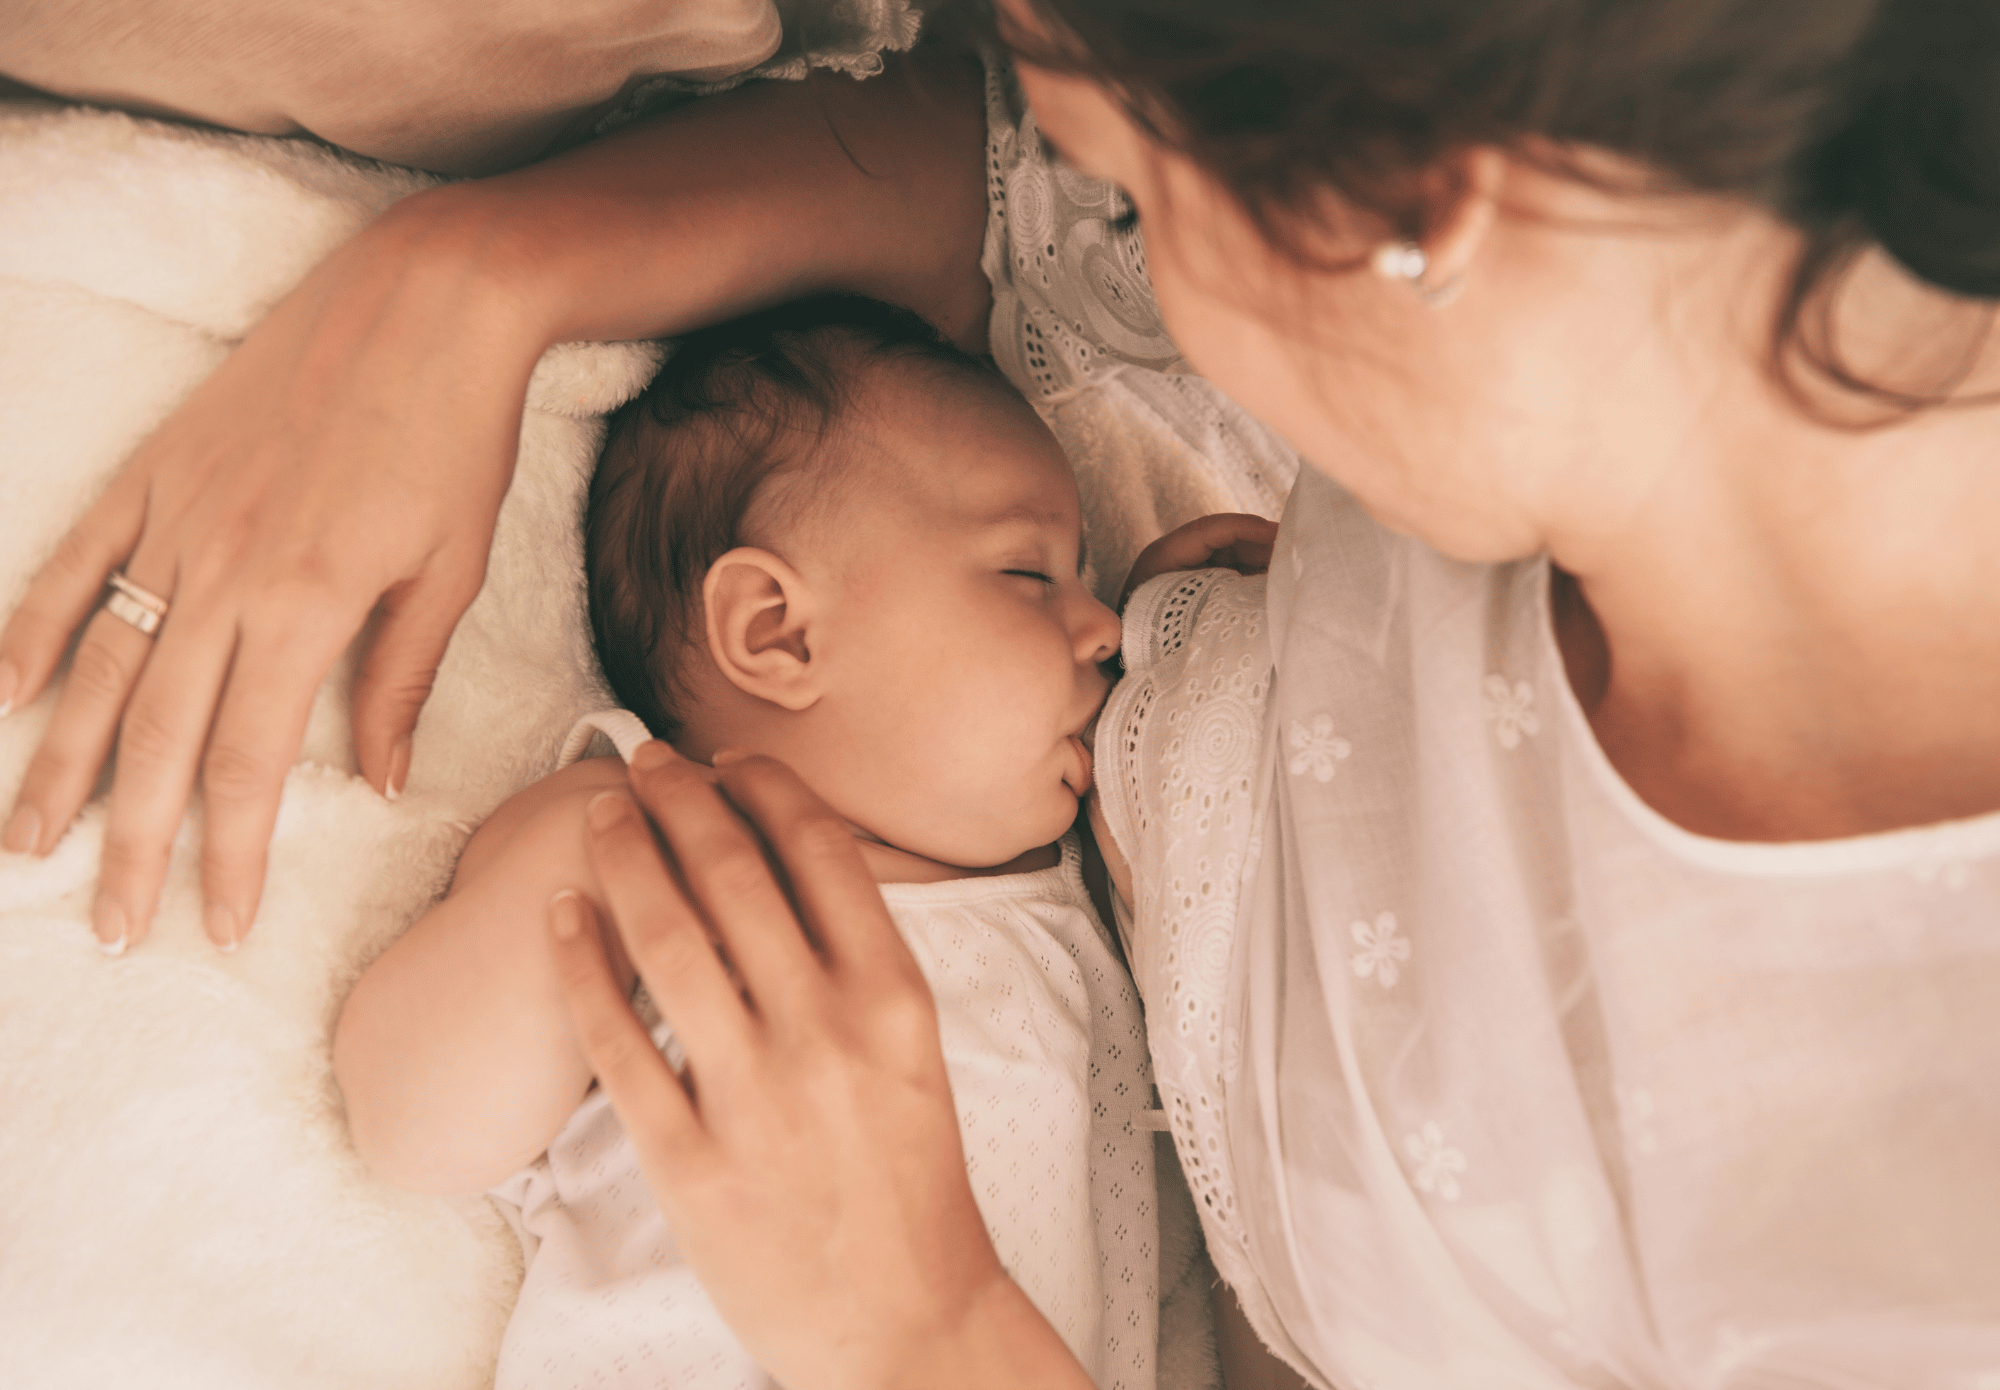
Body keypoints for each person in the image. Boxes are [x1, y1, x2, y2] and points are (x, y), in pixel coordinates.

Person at [6, 0, 1999, 1386]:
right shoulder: (1640, 320)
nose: (1107, 621)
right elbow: (1011, 232)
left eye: (1139, 183)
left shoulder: (1906, 1191)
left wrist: (920, 1332)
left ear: (1412, 213)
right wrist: (465, 280)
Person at [331, 293, 1269, 1390]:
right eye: (1028, 573)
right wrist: (577, 862)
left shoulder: (1081, 893)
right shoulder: (640, 836)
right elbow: (411, 1130)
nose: (1100, 625)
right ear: (775, 631)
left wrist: (1205, 648)